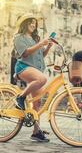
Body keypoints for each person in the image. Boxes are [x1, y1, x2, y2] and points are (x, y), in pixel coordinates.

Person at [13, 13, 53, 142]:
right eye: (30, 22)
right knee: (42, 79)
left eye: (34, 24)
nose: (33, 25)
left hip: (36, 70)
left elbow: (41, 55)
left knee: (37, 101)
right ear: (25, 24)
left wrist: (48, 46)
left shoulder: (35, 39)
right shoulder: (19, 37)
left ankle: (36, 132)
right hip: (23, 68)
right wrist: (41, 44)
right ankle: (20, 97)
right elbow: (24, 53)